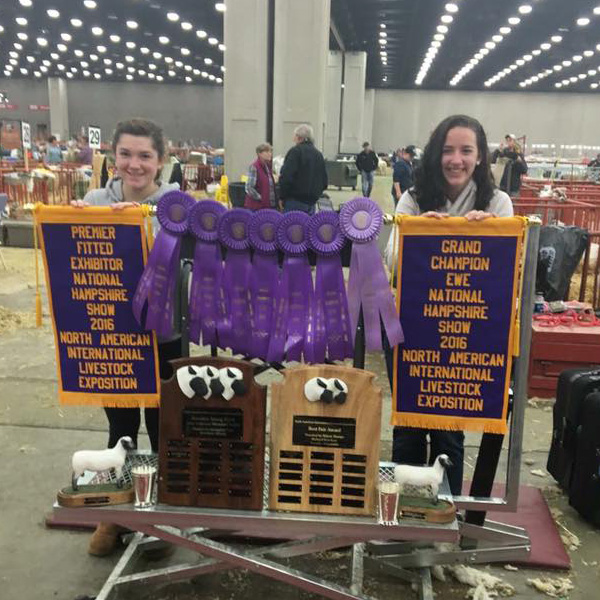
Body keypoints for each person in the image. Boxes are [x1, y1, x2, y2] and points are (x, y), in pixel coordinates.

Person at [384, 114, 514, 496]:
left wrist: (493, 230)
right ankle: (397, 513)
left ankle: (448, 513)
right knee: (405, 426)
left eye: (466, 151)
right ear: (435, 154)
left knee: (448, 431)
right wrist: (417, 229)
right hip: (410, 331)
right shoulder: (411, 198)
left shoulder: (499, 202)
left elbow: (513, 270)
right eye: (447, 150)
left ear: (480, 156)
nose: (456, 159)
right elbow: (390, 263)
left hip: (465, 336)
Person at [72, 118, 182, 556]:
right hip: (111, 335)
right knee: (120, 426)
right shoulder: (94, 199)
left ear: (161, 161)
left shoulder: (175, 203)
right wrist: (73, 223)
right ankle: (115, 515)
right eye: (126, 154)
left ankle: (156, 514)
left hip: (162, 332)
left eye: (144, 156)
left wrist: (146, 223)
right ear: (112, 156)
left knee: (160, 427)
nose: (134, 165)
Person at [278, 124, 328, 214]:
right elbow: (324, 181)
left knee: (292, 226)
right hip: (312, 203)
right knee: (307, 227)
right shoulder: (318, 155)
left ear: (299, 137)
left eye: (294, 135)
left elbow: (287, 176)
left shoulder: (295, 152)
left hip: (294, 201)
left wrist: (282, 196)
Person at [244, 142, 278, 210]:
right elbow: (249, 188)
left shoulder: (267, 167)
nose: (270, 154)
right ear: (259, 154)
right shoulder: (254, 167)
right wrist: (261, 198)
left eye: (270, 151)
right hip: (256, 207)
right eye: (267, 151)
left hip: (268, 206)